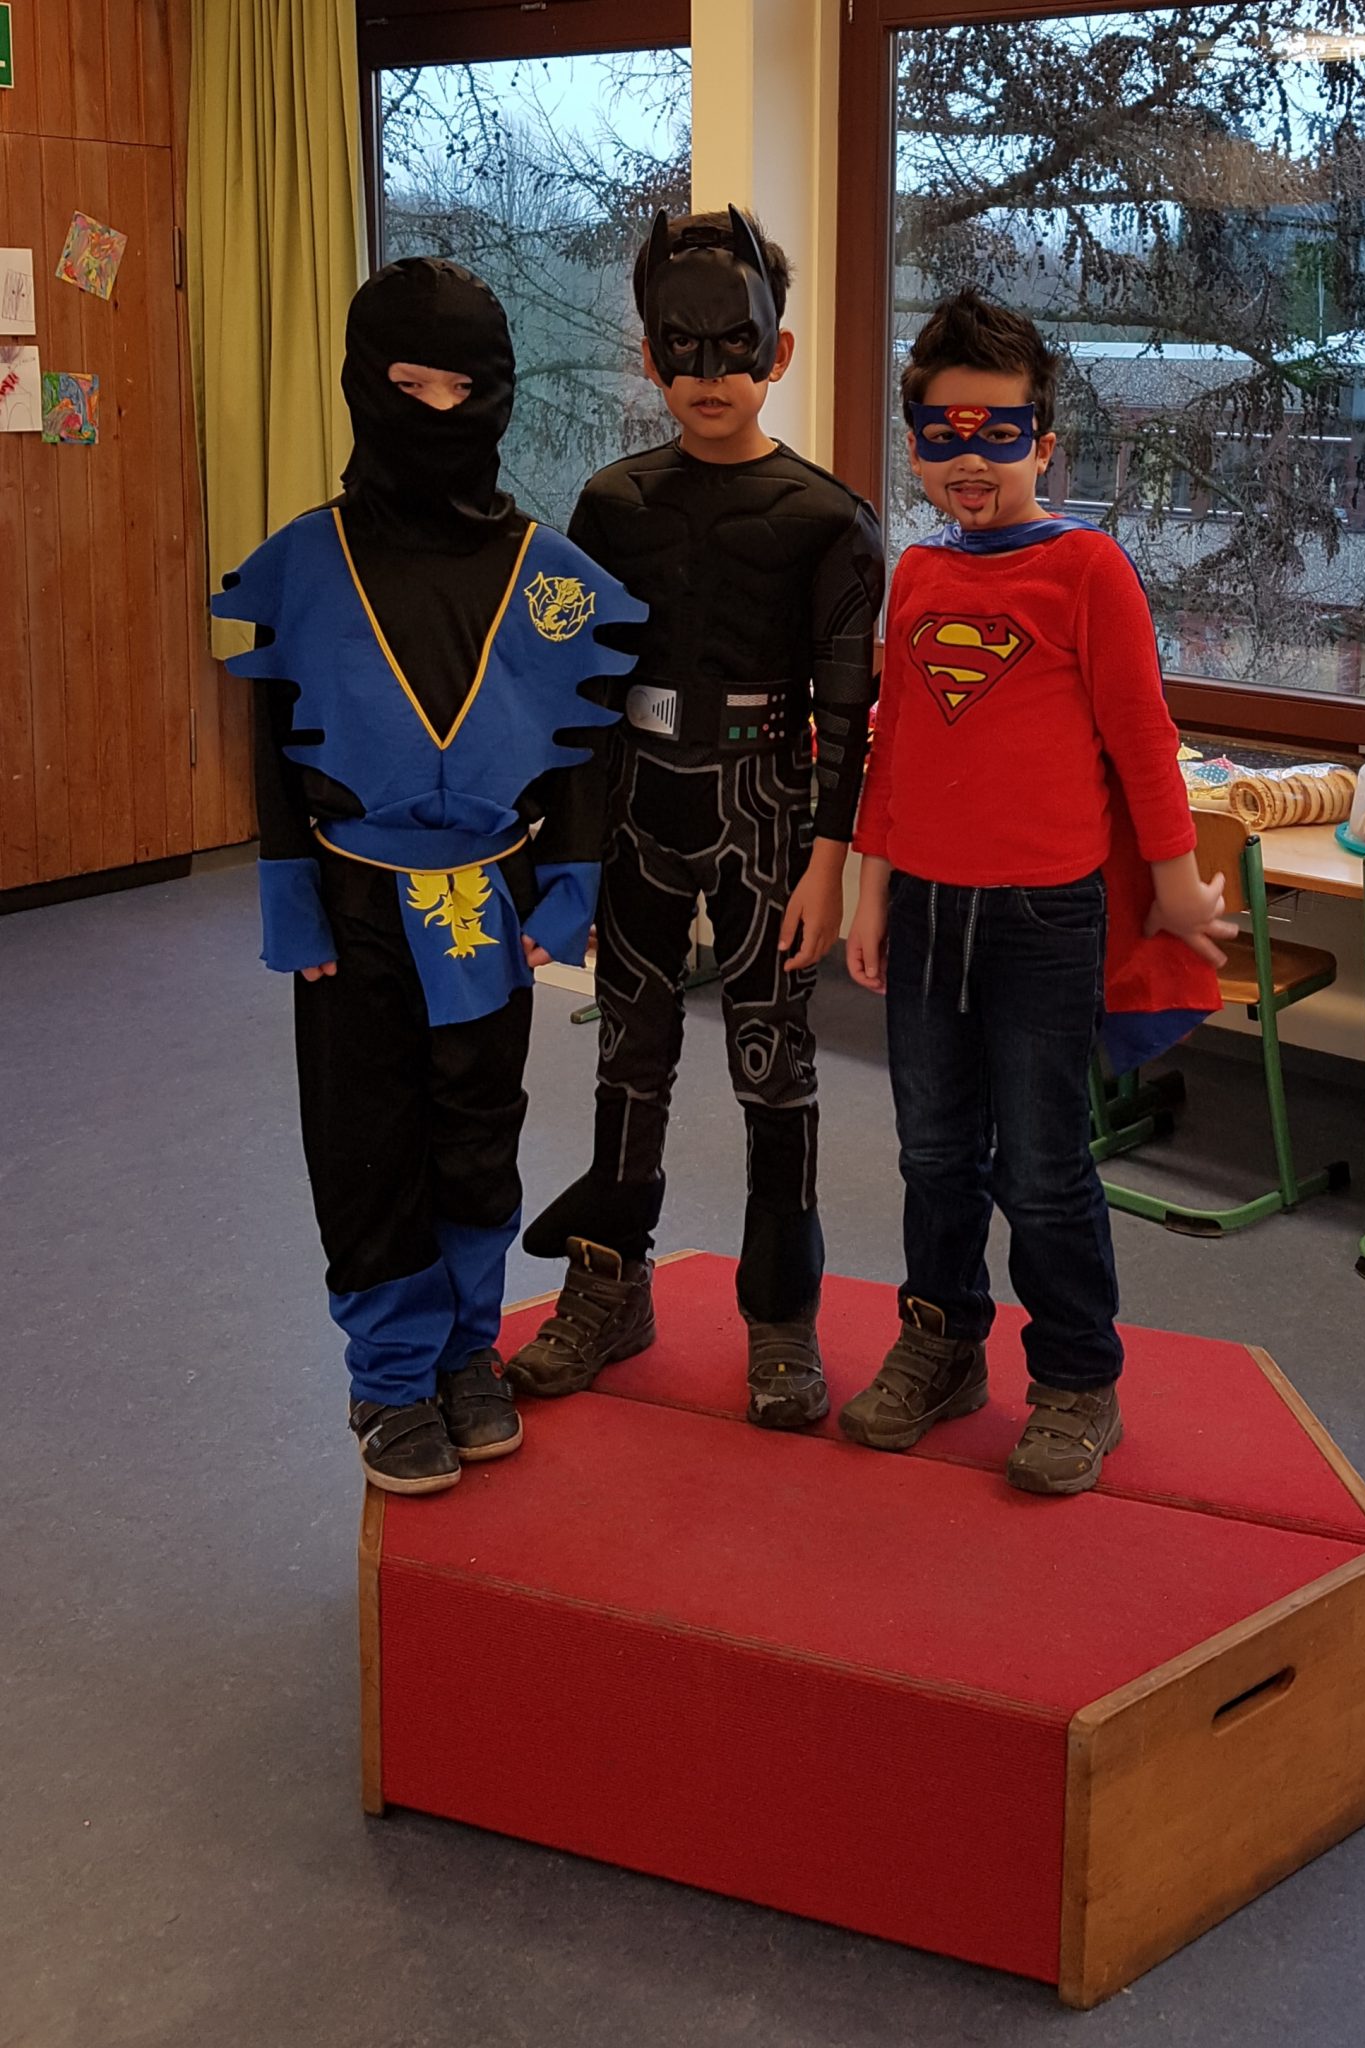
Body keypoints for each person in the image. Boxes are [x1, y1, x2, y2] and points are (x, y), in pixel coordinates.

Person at [211, 259, 645, 1497]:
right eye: (411, 385)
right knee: (366, 1139)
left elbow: (583, 739)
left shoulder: (546, 573)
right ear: (366, 384)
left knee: (476, 1131)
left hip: (485, 906)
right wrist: (290, 900)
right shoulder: (306, 562)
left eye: (465, 387)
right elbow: (274, 742)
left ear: (499, 391)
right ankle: (392, 1374)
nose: (440, 411)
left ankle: (465, 1348)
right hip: (351, 899)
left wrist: (571, 885)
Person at [840, 289, 1231, 1496]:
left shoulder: (1088, 569)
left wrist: (1176, 889)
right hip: (928, 911)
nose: (971, 459)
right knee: (933, 1151)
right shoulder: (916, 575)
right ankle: (943, 1342)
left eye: (998, 433)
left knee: (1044, 1166)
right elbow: (896, 745)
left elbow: (1142, 741)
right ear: (916, 443)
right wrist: (871, 888)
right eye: (942, 433)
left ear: (1045, 444)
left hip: (1045, 920)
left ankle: (1075, 1377)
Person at [512, 206, 884, 1429]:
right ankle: (609, 1288)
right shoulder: (611, 503)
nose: (709, 373)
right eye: (683, 346)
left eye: (737, 345)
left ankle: (780, 1317)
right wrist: (564, 857)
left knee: (775, 1068)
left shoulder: (830, 520)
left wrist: (829, 863)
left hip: (767, 813)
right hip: (638, 808)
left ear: (781, 352)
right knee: (630, 1058)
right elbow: (574, 698)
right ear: (648, 354)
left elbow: (847, 715)